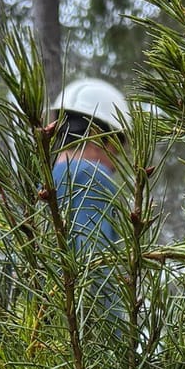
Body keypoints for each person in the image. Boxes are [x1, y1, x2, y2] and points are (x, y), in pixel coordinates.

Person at [51, 77, 132, 253]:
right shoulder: (92, 176)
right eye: (115, 152)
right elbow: (93, 265)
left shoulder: (45, 182)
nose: (115, 167)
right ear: (95, 137)